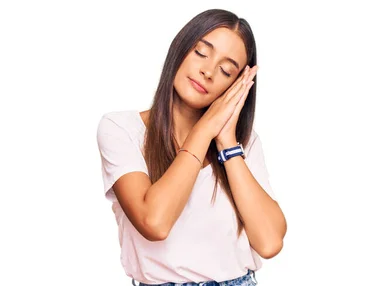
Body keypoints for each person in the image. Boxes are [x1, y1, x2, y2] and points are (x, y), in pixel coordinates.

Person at [96, 9, 287, 286]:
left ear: (235, 85)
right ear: (181, 48)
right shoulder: (121, 129)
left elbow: (269, 242)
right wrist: (205, 129)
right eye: (201, 52)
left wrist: (226, 142)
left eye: (225, 70)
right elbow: (155, 222)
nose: (208, 71)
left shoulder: (243, 143)